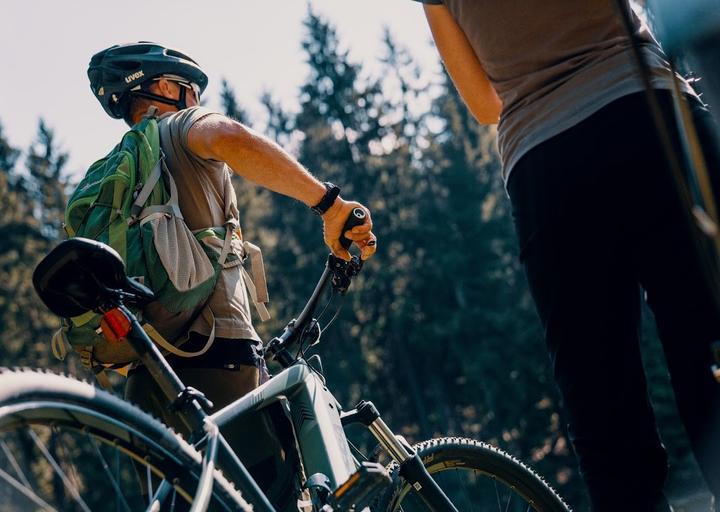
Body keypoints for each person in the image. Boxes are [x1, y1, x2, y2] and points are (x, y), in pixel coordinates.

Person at [413, 1, 720, 510]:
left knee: (605, 419)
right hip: (643, 111)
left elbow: (486, 105)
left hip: (546, 169)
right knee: (708, 348)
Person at [86, 41, 377, 507]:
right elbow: (228, 137)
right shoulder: (179, 128)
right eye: (191, 92)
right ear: (164, 88)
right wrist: (329, 204)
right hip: (217, 357)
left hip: (148, 379)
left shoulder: (111, 173)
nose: (197, 103)